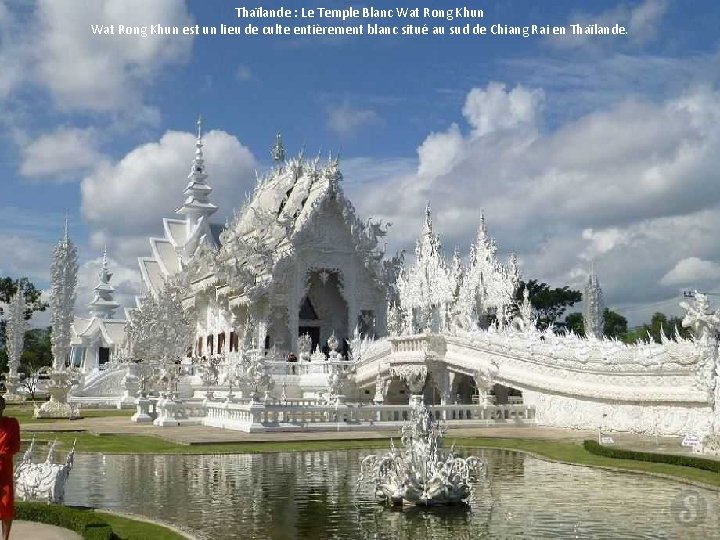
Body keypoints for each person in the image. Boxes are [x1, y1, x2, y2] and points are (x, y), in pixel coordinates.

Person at [0, 397, 20, 540]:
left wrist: (4, 453)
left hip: (5, 469)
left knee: (6, 506)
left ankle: (5, 538)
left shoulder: (11, 424)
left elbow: (16, 446)